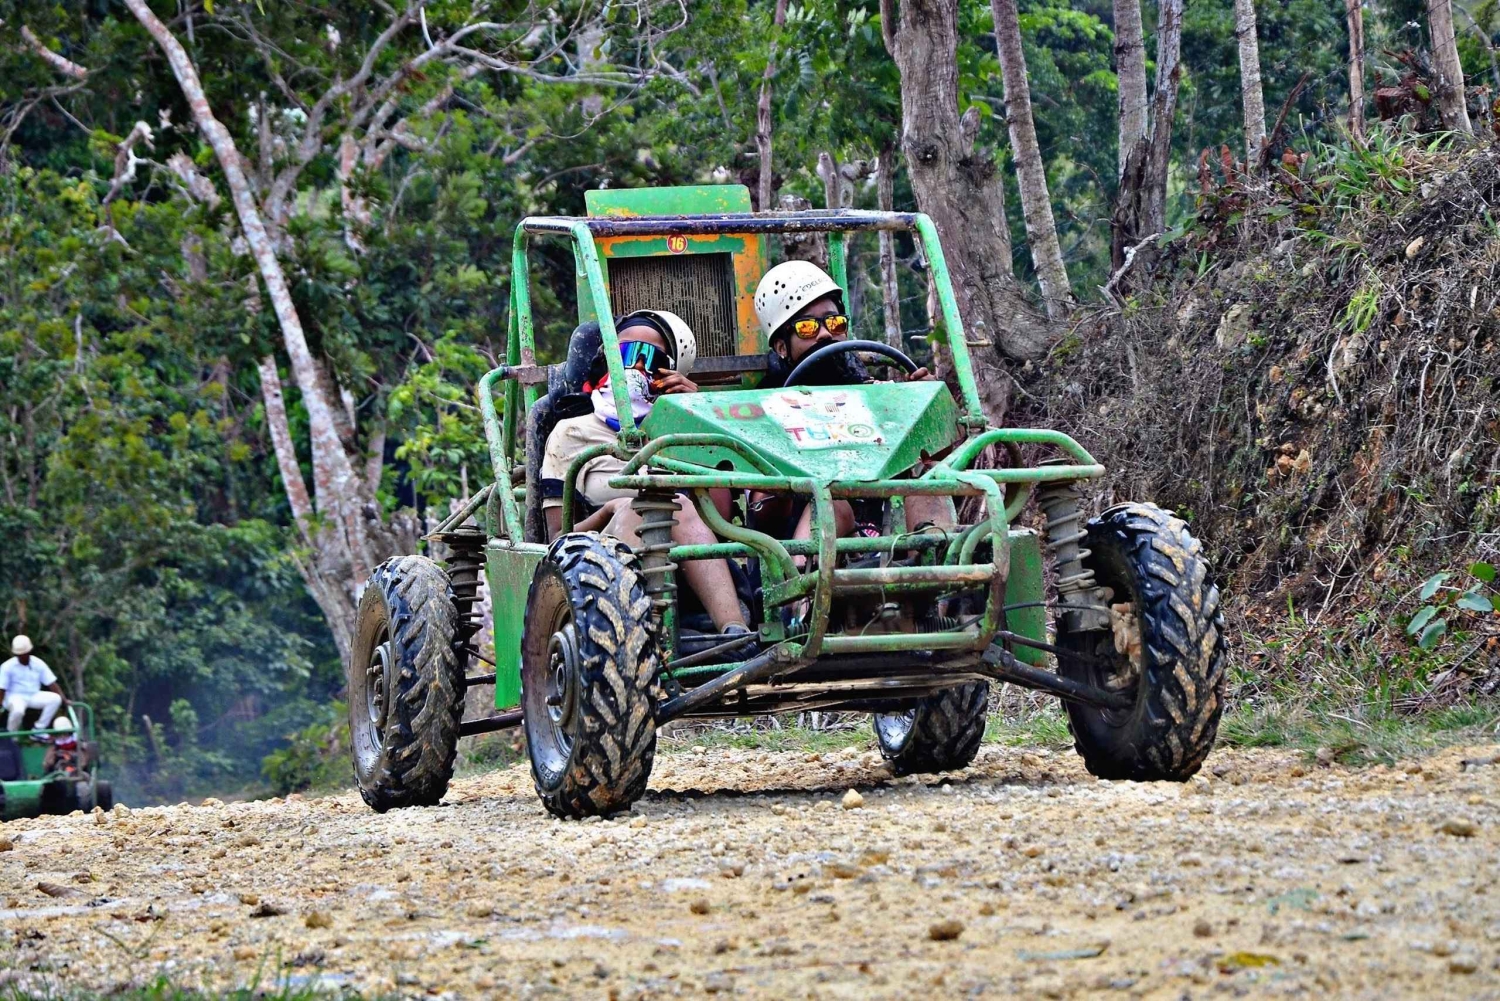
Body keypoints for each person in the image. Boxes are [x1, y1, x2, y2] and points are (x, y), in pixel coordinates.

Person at [541, 309, 753, 637]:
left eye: (649, 359)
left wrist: (695, 416)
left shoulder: (675, 431)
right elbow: (555, 538)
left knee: (674, 505)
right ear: (607, 359)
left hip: (683, 564)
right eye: (626, 353)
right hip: (594, 572)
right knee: (640, 508)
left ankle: (735, 633)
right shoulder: (571, 432)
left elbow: (721, 518)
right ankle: (620, 635)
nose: (635, 367)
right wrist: (612, 510)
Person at [751, 261, 956, 553]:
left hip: (888, 538)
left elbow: (946, 456)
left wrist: (929, 408)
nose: (824, 334)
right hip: (804, 542)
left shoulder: (882, 397)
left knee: (930, 479)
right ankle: (801, 597)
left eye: (834, 323)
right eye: (807, 327)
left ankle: (941, 581)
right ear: (782, 347)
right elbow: (762, 514)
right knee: (832, 505)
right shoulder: (762, 408)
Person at [1, 635, 66, 739]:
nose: (23, 656)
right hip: (14, 697)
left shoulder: (38, 663)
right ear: (16, 654)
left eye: (25, 654)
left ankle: (38, 730)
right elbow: (2, 688)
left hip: (33, 695)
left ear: (29, 652)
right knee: (18, 710)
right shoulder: (7, 666)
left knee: (55, 699)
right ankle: (11, 737)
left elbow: (51, 683)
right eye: (20, 655)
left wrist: (64, 700)